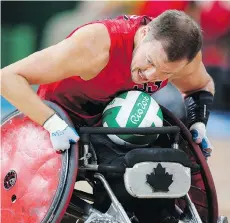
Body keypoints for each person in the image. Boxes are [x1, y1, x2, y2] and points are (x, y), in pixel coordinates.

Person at [1, 10, 214, 158]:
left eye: (165, 73)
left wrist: (199, 124)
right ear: (144, 32)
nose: (150, 75)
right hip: (61, 119)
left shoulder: (183, 57)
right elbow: (7, 77)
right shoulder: (95, 46)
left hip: (111, 124)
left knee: (181, 156)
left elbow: (199, 88)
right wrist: (51, 123)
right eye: (149, 62)